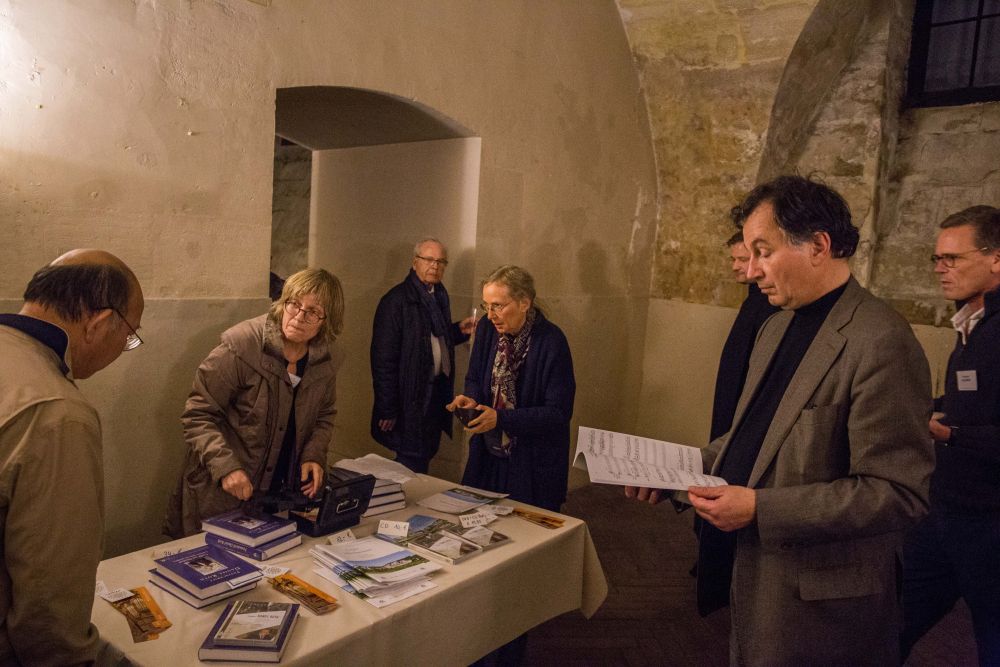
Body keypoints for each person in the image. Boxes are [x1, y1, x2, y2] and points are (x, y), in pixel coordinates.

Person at [627, 176, 934, 666]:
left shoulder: (881, 341)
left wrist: (760, 509)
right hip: (757, 578)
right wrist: (677, 470)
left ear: (818, 246)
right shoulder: (775, 327)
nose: (751, 271)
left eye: (763, 252)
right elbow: (753, 439)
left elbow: (897, 493)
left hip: (822, 604)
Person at [0, 249, 144, 665]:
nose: (125, 347)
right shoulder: (58, 414)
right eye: (129, 335)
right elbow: (49, 614)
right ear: (98, 324)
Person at [165, 268, 345, 538]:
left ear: (327, 321)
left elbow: (324, 415)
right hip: (224, 492)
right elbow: (198, 415)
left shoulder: (323, 359)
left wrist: (314, 454)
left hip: (282, 494)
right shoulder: (241, 345)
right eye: (293, 304)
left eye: (312, 312)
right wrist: (226, 467)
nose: (298, 316)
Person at [901, 205, 1000, 666]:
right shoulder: (971, 325)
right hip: (946, 511)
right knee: (890, 624)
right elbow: (973, 400)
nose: (941, 269)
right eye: (937, 259)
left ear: (996, 258)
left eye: (953, 259)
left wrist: (949, 433)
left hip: (989, 524)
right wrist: (925, 406)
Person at [448, 265, 575, 513]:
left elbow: (558, 413)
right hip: (489, 454)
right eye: (486, 306)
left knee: (526, 531)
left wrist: (500, 418)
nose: (490, 315)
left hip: (532, 463)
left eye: (498, 306)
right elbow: (474, 377)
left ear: (524, 303)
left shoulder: (551, 341)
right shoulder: (487, 329)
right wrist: (471, 400)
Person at [370, 238, 474, 473]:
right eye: (429, 260)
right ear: (415, 262)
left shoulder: (439, 296)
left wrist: (458, 331)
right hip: (408, 398)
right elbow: (383, 361)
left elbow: (431, 341)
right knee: (410, 460)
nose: (434, 266)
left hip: (434, 392)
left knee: (424, 453)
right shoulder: (396, 301)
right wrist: (387, 408)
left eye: (440, 261)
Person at [710, 230, 780, 442]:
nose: (735, 266)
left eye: (742, 259)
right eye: (733, 259)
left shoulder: (770, 304)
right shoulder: (754, 300)